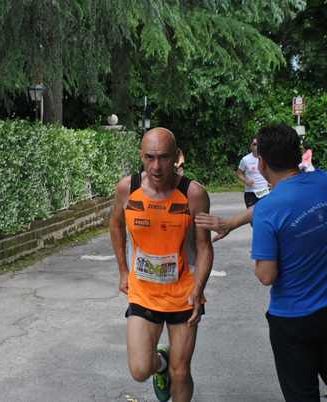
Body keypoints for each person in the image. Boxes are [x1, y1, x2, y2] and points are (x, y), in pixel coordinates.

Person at [196, 123, 327, 401]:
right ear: (298, 154)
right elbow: (285, 202)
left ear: (262, 163)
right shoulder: (323, 182)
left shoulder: (269, 210)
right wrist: (232, 222)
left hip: (293, 321)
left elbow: (266, 275)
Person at [110, 127, 213, 402]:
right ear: (141, 156)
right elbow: (116, 226)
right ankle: (161, 364)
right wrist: (122, 271)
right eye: (150, 157)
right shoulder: (127, 188)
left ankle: (172, 369)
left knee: (181, 372)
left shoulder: (193, 194)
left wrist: (199, 289)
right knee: (140, 369)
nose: (156, 166)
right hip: (143, 292)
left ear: (176, 157)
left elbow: (204, 247)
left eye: (164, 158)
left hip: (183, 295)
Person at [237, 137, 270, 208]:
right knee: (252, 217)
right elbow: (239, 173)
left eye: (259, 144)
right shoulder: (245, 160)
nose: (257, 146)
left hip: (265, 192)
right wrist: (246, 181)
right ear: (251, 146)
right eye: (254, 144)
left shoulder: (266, 158)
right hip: (251, 193)